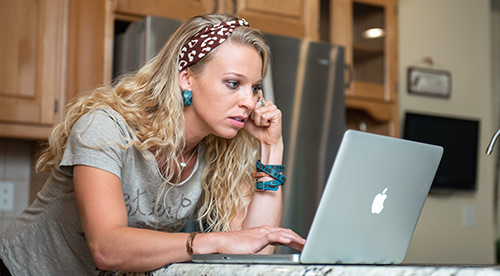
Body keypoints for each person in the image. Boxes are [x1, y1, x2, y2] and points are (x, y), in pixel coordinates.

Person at [0, 14, 305, 275]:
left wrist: (271, 148)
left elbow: (253, 253)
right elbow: (106, 247)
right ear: (186, 78)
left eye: (255, 88)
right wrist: (212, 241)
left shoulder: (221, 148)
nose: (249, 102)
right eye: (233, 84)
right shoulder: (106, 127)